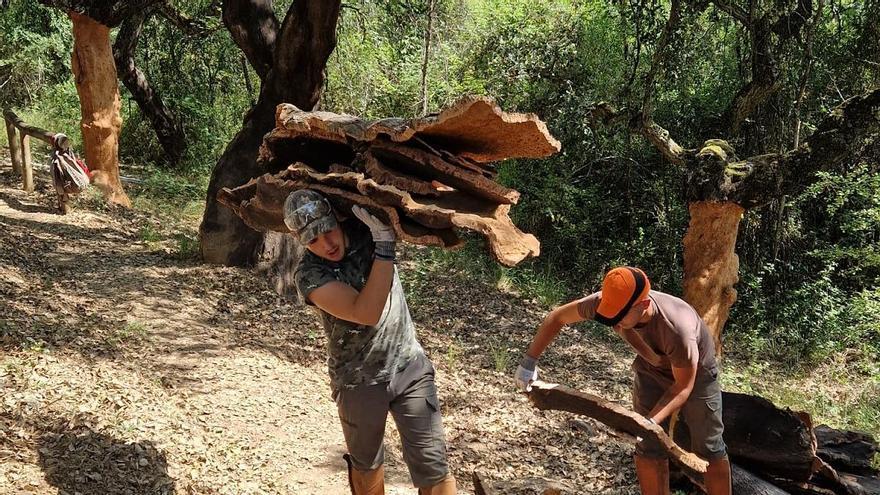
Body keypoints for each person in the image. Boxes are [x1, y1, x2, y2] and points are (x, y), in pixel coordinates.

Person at [286, 189, 457, 495]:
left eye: (327, 230)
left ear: (336, 219)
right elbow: (365, 313)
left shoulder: (366, 229)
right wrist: (385, 249)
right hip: (357, 379)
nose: (326, 244)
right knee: (366, 468)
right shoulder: (310, 274)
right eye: (312, 240)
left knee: (434, 468)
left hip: (409, 367)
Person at [514, 266, 731, 495]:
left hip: (695, 375)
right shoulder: (611, 303)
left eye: (619, 316)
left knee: (709, 447)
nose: (613, 322)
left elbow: (683, 386)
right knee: (647, 446)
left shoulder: (677, 328)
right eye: (609, 315)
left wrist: (648, 422)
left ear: (643, 305)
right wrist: (528, 363)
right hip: (651, 368)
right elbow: (557, 317)